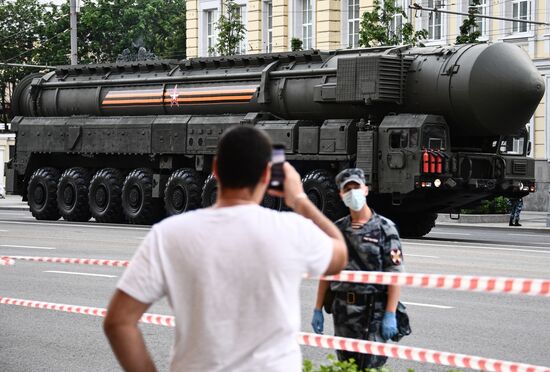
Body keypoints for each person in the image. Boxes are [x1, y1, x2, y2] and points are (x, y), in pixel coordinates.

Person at [103, 126, 348, 372]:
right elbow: (340, 254)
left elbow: (118, 322)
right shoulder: (292, 230)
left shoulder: (168, 234)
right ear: (267, 175)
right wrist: (299, 199)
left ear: (216, 169)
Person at [310, 168, 404, 370]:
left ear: (366, 190)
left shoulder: (385, 229)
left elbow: (394, 274)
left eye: (356, 187)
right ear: (341, 195)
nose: (353, 192)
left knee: (369, 366)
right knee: (347, 366)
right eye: (347, 189)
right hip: (343, 309)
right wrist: (318, 308)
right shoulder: (337, 230)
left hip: (374, 310)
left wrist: (390, 313)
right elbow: (327, 271)